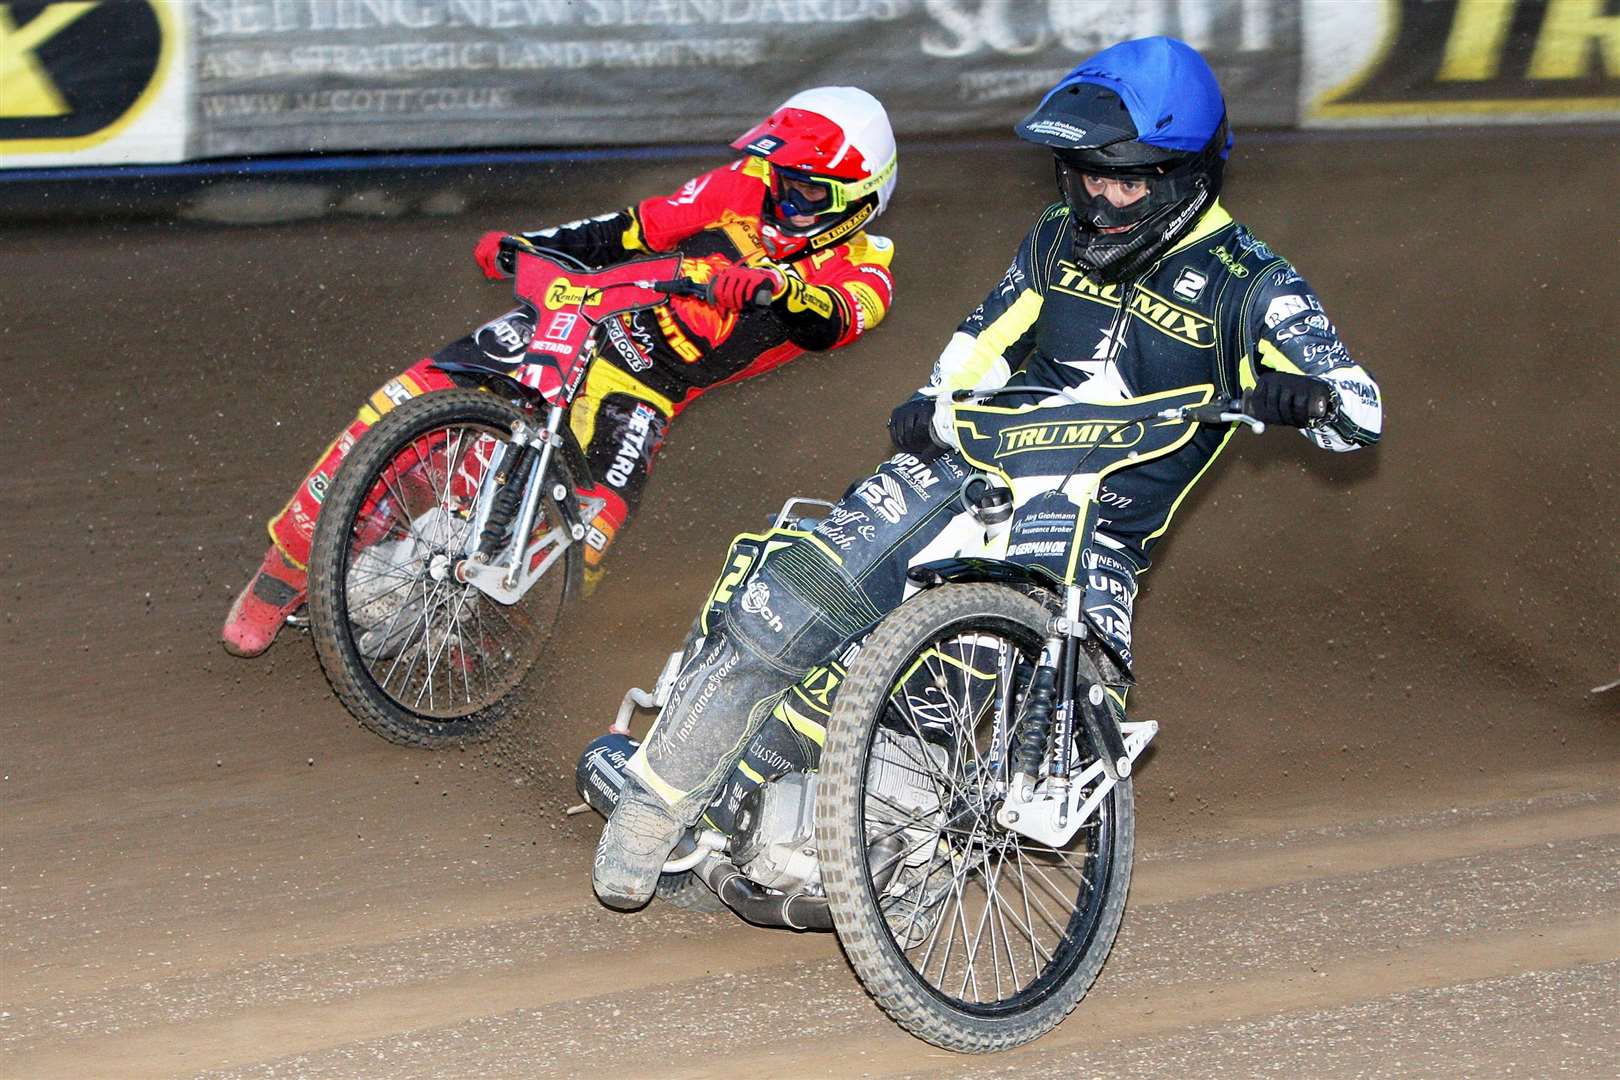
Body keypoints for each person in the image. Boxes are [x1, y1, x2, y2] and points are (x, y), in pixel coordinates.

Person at [592, 36, 1383, 910]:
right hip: (975, 464)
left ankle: (896, 848)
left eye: (1125, 181)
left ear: (1185, 175)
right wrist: (936, 399)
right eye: (1085, 175)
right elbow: (982, 341)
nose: (1101, 198)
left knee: (1015, 710)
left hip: (1093, 532)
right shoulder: (1055, 237)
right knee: (788, 592)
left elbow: (1362, 412)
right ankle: (661, 811)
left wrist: (1303, 399)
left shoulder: (1255, 285)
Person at [222, 86, 899, 657]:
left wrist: (777, 291)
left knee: (585, 542)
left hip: (646, 389)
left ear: (860, 200)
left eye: (805, 192)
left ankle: (477, 651)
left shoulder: (865, 269)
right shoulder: (741, 185)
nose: (782, 201)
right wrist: (535, 244)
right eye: (781, 183)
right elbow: (635, 228)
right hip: (592, 310)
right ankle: (285, 568)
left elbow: (837, 317)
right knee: (411, 399)